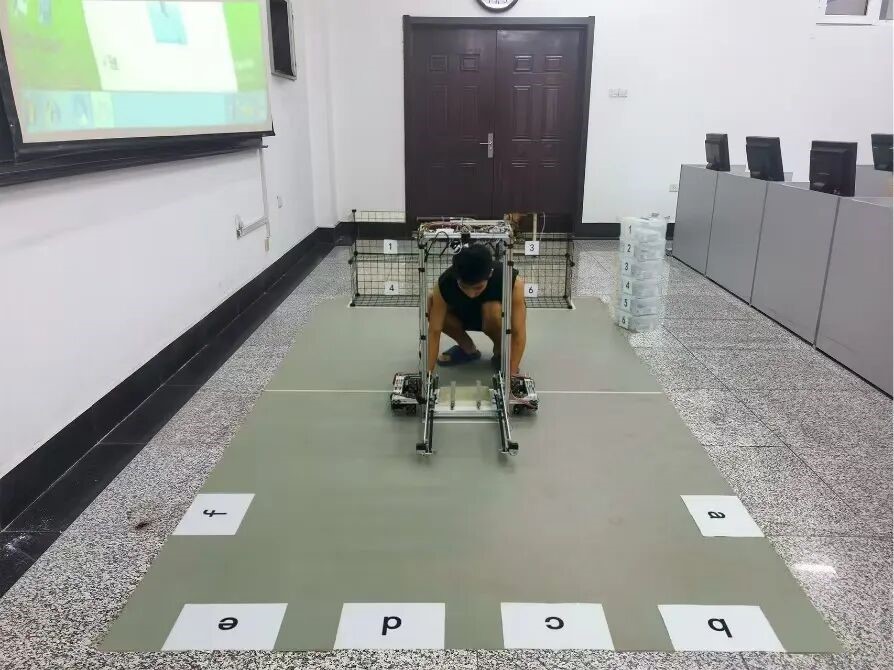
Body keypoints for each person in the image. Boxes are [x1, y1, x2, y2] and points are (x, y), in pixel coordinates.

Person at [427, 244, 527, 376]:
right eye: (464, 287)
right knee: (431, 301)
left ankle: (501, 352)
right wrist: (426, 376)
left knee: (492, 309)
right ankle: (468, 349)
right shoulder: (444, 283)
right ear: (457, 278)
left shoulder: (512, 282)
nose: (470, 294)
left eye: (478, 288)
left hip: (494, 318)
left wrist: (511, 375)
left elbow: (518, 334)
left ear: (490, 274)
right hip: (463, 315)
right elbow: (434, 331)